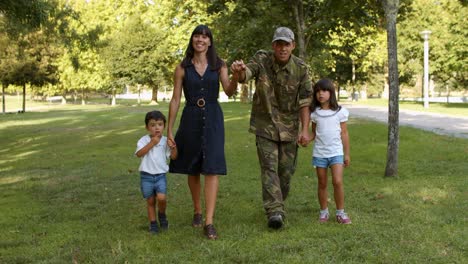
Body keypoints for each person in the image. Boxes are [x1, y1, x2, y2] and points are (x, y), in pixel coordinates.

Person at [230, 27, 313, 229]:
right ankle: (274, 211)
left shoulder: (301, 69)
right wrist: (239, 72)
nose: (282, 48)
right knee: (269, 168)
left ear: (293, 45)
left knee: (285, 173)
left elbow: (304, 102)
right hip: (265, 125)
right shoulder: (262, 59)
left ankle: (278, 202)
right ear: (273, 45)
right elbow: (246, 74)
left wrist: (304, 130)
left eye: (286, 44)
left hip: (289, 129)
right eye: (279, 44)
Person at [167, 25, 237, 240]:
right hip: (190, 118)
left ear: (210, 42)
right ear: (192, 40)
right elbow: (176, 99)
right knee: (193, 167)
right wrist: (169, 129)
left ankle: (209, 221)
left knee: (212, 168)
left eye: (205, 37)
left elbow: (229, 90)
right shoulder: (181, 67)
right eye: (197, 36)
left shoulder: (219, 65)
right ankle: (197, 210)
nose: (201, 40)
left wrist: (237, 77)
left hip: (214, 117)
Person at [309, 78, 351, 224]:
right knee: (322, 183)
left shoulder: (340, 112)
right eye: (318, 91)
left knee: (338, 181)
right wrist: (306, 139)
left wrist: (346, 154)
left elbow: (344, 133)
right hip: (320, 154)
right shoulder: (314, 114)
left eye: (324, 91)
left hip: (336, 153)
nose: (321, 94)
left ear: (331, 93)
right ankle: (324, 212)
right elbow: (314, 133)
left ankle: (340, 213)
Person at [135, 110, 178, 234]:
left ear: (164, 126)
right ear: (147, 127)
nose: (156, 128)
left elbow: (174, 157)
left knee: (161, 198)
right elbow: (139, 154)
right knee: (150, 201)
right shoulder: (143, 140)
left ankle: (162, 215)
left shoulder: (165, 141)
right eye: (153, 125)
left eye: (159, 124)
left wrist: (173, 147)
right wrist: (152, 143)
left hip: (160, 176)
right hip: (146, 176)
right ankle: (153, 224)